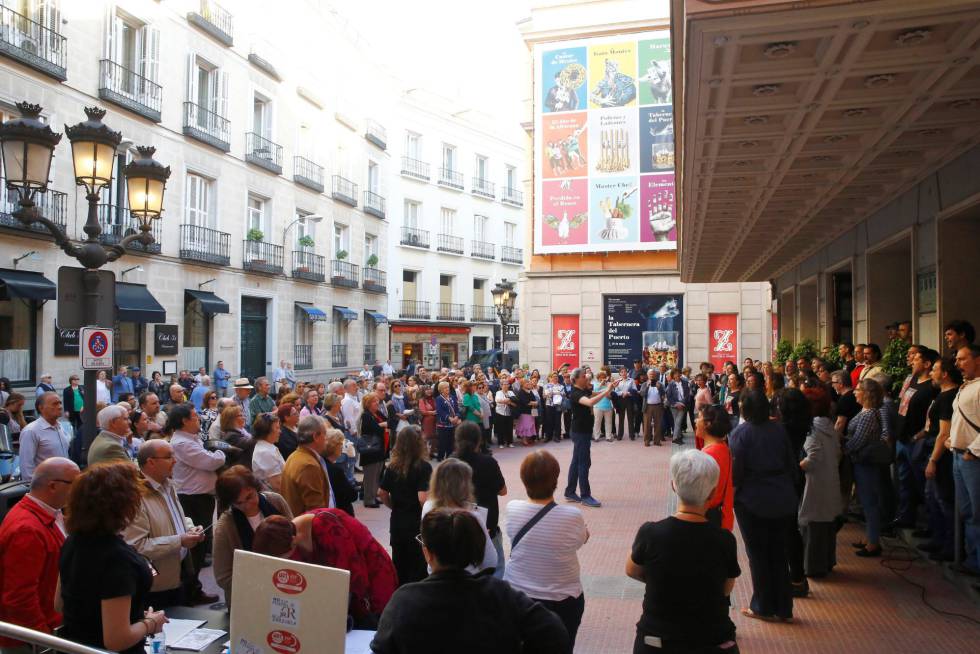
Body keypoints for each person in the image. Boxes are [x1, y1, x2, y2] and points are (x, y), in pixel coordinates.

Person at [372, 509, 569, 654]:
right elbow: (554, 632)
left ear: (428, 553)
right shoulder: (499, 594)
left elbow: (381, 648)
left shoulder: (404, 601)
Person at [626, 449, 740, 653]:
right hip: (711, 639)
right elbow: (725, 588)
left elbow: (632, 570)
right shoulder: (725, 540)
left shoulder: (651, 533)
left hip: (657, 640)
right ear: (713, 493)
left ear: (673, 485)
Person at [59, 463, 168, 654]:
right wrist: (151, 623)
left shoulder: (72, 542)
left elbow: (60, 604)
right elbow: (117, 640)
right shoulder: (117, 559)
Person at [253, 510, 397, 629]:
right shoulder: (286, 535)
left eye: (282, 558)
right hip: (346, 585)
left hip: (372, 577)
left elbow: (349, 578)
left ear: (293, 542)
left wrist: (335, 620)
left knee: (371, 630)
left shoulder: (327, 528)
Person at [505, 450, 588, 650]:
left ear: (524, 480)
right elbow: (581, 539)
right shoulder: (572, 515)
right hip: (563, 599)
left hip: (518, 596)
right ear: (556, 480)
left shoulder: (512, 508)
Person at [729, 389, 798, 622]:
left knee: (758, 554)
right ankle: (784, 607)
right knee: (779, 552)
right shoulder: (779, 429)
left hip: (753, 498)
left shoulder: (740, 433)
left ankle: (762, 605)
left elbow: (736, 473)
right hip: (782, 495)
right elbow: (791, 461)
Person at [0, 457, 79, 651]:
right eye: (77, 484)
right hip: (34, 641)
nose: (81, 491)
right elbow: (19, 597)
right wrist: (45, 641)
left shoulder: (50, 513)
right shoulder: (27, 530)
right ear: (53, 486)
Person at [123, 440, 207, 609]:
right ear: (151, 462)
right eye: (169, 457)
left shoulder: (167, 484)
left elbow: (177, 517)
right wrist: (180, 541)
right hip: (155, 585)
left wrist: (190, 529)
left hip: (178, 574)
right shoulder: (135, 496)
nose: (175, 461)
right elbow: (136, 547)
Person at [168, 403, 224, 601]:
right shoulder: (182, 443)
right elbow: (210, 461)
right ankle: (191, 590)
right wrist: (221, 453)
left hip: (201, 497)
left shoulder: (192, 439)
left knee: (200, 545)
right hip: (193, 498)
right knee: (196, 546)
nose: (199, 419)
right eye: (195, 416)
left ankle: (193, 587)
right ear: (184, 421)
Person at [212, 465, 293, 602]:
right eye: (238, 503)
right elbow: (223, 577)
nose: (247, 505)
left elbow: (294, 536)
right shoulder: (225, 526)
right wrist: (265, 578)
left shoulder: (276, 501)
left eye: (249, 497)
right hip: (248, 599)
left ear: (256, 487)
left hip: (287, 588)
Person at [421, 457, 498, 574]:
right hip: (468, 579)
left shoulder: (428, 507)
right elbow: (491, 561)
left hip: (436, 574)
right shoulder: (472, 515)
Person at [920, 357, 962, 562]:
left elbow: (943, 433)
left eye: (934, 369)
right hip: (934, 448)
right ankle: (939, 538)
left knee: (944, 499)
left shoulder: (948, 397)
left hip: (942, 455)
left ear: (945, 374)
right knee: (934, 497)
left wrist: (933, 460)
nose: (931, 374)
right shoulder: (942, 395)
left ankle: (951, 545)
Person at [453, 421, 508, 578]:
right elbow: (503, 491)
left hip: (459, 522)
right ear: (479, 439)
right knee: (496, 567)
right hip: (487, 524)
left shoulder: (451, 461)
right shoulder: (488, 462)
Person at [379, 425, 432, 585]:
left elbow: (382, 492)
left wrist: (393, 505)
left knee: (399, 566)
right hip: (416, 523)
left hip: (397, 522)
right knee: (418, 569)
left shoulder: (392, 466)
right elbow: (422, 498)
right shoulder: (423, 467)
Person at [798, 387, 841, 578]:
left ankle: (813, 566)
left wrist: (797, 465)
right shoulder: (828, 424)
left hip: (815, 482)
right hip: (829, 478)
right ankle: (826, 562)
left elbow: (812, 457)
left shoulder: (812, 428)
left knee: (812, 524)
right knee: (825, 523)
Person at [844, 379, 887, 558]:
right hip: (861, 462)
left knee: (870, 502)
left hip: (865, 463)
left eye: (858, 390)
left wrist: (843, 449)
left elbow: (858, 441)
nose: (855, 392)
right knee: (865, 501)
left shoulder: (869, 415)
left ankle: (873, 543)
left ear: (867, 394)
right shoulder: (865, 412)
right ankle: (870, 537)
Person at [565, 368, 614, 508]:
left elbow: (596, 394)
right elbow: (590, 402)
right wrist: (607, 390)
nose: (587, 378)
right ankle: (585, 496)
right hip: (580, 432)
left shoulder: (583, 390)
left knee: (576, 462)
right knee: (584, 463)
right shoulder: (574, 393)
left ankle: (569, 492)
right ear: (575, 379)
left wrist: (609, 388)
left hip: (583, 431)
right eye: (584, 376)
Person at [950, 344, 980, 574]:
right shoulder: (966, 386)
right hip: (959, 455)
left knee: (977, 512)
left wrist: (972, 450)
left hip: (973, 458)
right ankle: (972, 561)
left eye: (962, 359)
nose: (957, 364)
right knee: (967, 512)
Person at [280, 416, 338, 516]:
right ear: (315, 436)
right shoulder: (308, 465)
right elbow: (316, 510)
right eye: (325, 435)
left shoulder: (296, 456)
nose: (326, 440)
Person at [18, 392, 69, 482]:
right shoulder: (31, 431)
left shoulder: (60, 427)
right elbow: (26, 465)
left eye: (60, 403)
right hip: (45, 488)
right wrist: (33, 488)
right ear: (41, 408)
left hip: (63, 483)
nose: (60, 406)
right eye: (55, 404)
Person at [697, 405, 734, 531]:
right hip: (718, 516)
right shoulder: (723, 448)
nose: (696, 421)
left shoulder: (708, 456)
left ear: (707, 424)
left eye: (699, 417)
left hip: (704, 518)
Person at [358, 394, 388, 508]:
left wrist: (382, 425)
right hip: (370, 450)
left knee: (377, 475)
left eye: (377, 401)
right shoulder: (366, 415)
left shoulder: (377, 413)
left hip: (379, 449)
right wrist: (382, 426)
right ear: (368, 404)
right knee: (370, 476)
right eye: (374, 402)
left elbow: (388, 421)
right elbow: (372, 429)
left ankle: (374, 496)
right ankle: (369, 499)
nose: (377, 403)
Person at [251, 411, 286, 492]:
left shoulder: (267, 447)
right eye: (277, 428)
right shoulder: (265, 452)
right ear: (267, 431)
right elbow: (278, 485)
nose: (280, 431)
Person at [435, 380, 461, 459]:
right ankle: (440, 457)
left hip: (453, 424)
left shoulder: (453, 397)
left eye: (448, 387)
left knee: (451, 441)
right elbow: (440, 411)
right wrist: (449, 418)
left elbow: (457, 409)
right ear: (441, 390)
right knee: (443, 442)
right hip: (443, 424)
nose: (447, 389)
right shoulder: (439, 398)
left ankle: (449, 456)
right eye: (445, 388)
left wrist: (456, 417)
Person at [640, 369, 665, 446]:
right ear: (648, 375)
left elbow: (663, 394)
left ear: (655, 375)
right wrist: (647, 386)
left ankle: (657, 441)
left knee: (658, 424)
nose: (652, 375)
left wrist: (659, 388)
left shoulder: (659, 384)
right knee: (647, 425)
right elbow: (642, 394)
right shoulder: (644, 384)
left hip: (658, 406)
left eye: (653, 374)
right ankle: (647, 440)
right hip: (648, 406)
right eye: (650, 374)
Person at [591, 370, 615, 443]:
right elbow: (593, 393)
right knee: (597, 422)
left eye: (604, 377)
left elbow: (611, 394)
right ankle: (596, 437)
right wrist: (601, 385)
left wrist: (609, 395)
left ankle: (608, 436)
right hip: (598, 406)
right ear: (598, 378)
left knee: (608, 422)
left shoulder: (609, 384)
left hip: (608, 406)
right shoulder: (595, 384)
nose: (602, 379)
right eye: (601, 377)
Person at [494, 378, 516, 448]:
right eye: (504, 384)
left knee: (509, 428)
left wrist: (507, 401)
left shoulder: (511, 392)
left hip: (509, 412)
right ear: (501, 385)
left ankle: (510, 442)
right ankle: (501, 443)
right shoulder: (498, 392)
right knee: (501, 428)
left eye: (507, 384)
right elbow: (498, 400)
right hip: (500, 412)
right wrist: (508, 401)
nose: (506, 386)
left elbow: (515, 401)